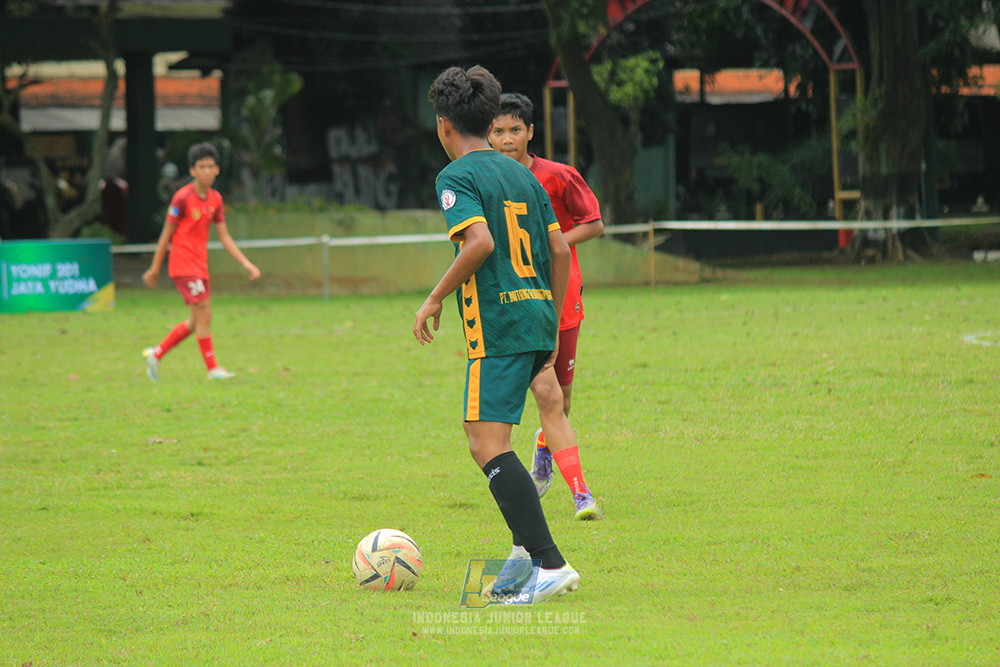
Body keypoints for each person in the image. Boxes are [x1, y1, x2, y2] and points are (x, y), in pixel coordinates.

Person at [413, 65, 579, 603]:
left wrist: (435, 296)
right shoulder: (525, 174)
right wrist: (551, 319)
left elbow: (479, 243)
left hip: (500, 325)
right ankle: (524, 555)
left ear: (444, 125)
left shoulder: (456, 177)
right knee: (495, 440)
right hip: (536, 318)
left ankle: (549, 564)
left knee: (486, 444)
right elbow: (558, 250)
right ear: (489, 120)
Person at [489, 93, 604, 520]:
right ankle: (581, 494)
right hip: (517, 303)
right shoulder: (486, 182)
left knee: (562, 402)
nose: (506, 139)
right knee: (546, 393)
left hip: (561, 300)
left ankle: (543, 445)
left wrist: (552, 245)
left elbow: (594, 223)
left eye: (514, 129)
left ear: (530, 132)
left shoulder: (557, 176)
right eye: (497, 131)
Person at [141, 142, 260, 381]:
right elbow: (166, 234)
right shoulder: (182, 198)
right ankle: (213, 369)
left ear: (217, 170)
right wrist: (155, 268)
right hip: (183, 265)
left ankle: (157, 354)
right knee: (205, 312)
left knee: (196, 321)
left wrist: (246, 263)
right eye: (202, 166)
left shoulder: (216, 199)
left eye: (211, 166)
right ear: (193, 170)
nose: (207, 171)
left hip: (200, 265)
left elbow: (224, 236)